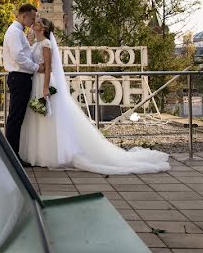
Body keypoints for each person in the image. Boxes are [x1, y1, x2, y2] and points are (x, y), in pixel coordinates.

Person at [21, 17, 171, 174]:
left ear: (43, 28)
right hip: (36, 82)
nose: (34, 23)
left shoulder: (46, 44)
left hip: (44, 83)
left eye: (38, 22)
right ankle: (40, 153)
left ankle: (51, 154)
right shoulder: (37, 43)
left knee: (48, 117)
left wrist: (45, 87)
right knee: (39, 116)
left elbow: (49, 67)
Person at [2, 4, 43, 166]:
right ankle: (12, 156)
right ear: (24, 16)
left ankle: (14, 154)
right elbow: (19, 56)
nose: (33, 21)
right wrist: (36, 67)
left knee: (17, 116)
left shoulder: (18, 32)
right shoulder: (14, 32)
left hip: (21, 78)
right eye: (32, 18)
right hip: (19, 78)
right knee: (15, 117)